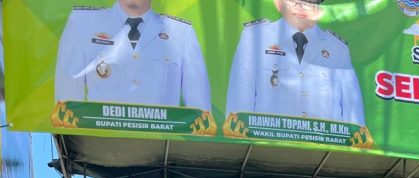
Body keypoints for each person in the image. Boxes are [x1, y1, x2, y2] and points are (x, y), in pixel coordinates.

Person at [226, 0, 366, 126]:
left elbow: (353, 117)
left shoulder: (337, 49)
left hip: (323, 150)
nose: (301, 6)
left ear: (319, 7)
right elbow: (240, 102)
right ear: (278, 3)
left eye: (309, 1)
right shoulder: (255, 38)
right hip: (266, 150)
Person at [54, 0, 211, 110]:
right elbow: (67, 95)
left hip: (164, 147)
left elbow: (199, 108)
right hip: (101, 144)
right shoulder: (84, 23)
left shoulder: (181, 33)